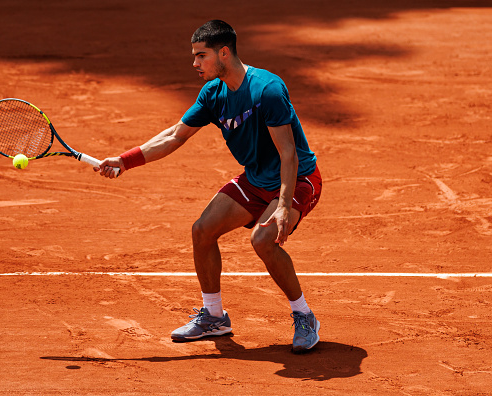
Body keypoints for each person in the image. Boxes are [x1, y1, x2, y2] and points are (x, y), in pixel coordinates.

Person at [96, 20, 322, 353]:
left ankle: (304, 316)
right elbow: (175, 135)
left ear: (224, 53)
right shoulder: (213, 94)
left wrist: (285, 206)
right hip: (257, 177)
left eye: (201, 56)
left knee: (262, 238)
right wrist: (125, 160)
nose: (195, 64)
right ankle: (214, 317)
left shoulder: (267, 89)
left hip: (297, 179)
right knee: (202, 230)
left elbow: (288, 153)